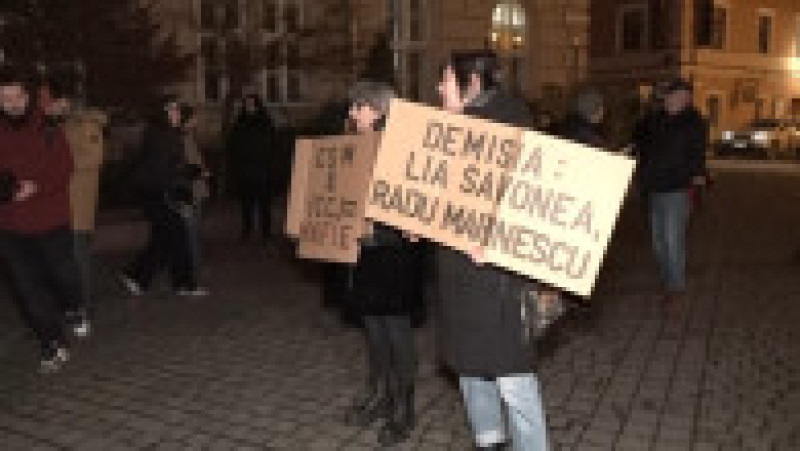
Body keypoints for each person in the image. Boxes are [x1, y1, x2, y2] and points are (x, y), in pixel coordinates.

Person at [435, 52, 548, 451]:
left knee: (512, 378)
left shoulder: (509, 125)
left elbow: (534, 202)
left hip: (498, 280)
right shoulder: (450, 129)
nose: (438, 88)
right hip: (459, 274)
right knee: (470, 368)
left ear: (473, 83)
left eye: (446, 80)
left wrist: (499, 242)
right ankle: (489, 441)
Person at [341, 81, 421, 446]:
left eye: (358, 107)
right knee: (373, 330)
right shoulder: (355, 146)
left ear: (378, 110)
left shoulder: (402, 149)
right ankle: (380, 395)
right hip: (365, 251)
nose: (352, 114)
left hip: (393, 253)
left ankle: (404, 408)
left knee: (396, 332)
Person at [0, 66, 90, 372]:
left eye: (17, 96)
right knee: (28, 289)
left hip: (50, 219)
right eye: (5, 98)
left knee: (63, 275)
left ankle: (74, 308)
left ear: (27, 97)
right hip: (10, 225)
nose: (12, 103)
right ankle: (52, 343)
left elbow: (64, 169)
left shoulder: (48, 127)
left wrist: (35, 187)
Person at [38, 72, 107, 339]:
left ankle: (84, 309)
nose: (41, 104)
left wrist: (58, 167)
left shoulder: (84, 124)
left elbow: (94, 159)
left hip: (77, 206)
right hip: (55, 205)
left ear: (62, 100)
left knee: (78, 262)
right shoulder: (51, 125)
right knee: (59, 263)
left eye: (45, 99)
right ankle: (70, 308)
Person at [119, 96, 207, 297]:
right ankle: (183, 284)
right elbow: (166, 169)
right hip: (157, 193)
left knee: (165, 239)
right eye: (172, 111)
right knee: (176, 236)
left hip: (157, 192)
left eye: (177, 110)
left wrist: (192, 171)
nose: (177, 114)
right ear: (163, 113)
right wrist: (192, 173)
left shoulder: (166, 133)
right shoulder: (162, 135)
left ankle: (136, 275)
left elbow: (172, 166)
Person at [632, 78, 708, 308]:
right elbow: (638, 141)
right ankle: (668, 280)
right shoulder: (653, 120)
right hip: (653, 188)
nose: (681, 100)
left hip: (677, 189)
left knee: (673, 240)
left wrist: (697, 174)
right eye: (677, 95)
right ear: (666, 97)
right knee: (658, 242)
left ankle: (676, 288)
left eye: (686, 96)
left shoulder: (693, 122)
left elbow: (697, 153)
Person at [227, 94, 275, 241]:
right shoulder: (240, 122)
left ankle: (266, 232)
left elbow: (272, 145)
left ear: (257, 105)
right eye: (246, 104)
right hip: (245, 170)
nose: (249, 106)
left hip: (262, 170)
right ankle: (247, 230)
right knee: (246, 204)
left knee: (264, 204)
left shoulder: (265, 122)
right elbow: (233, 145)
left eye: (251, 104)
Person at [179, 104, 210, 282]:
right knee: (191, 230)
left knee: (195, 229)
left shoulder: (189, 136)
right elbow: (186, 165)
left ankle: (195, 263)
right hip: (189, 190)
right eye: (195, 117)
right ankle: (193, 266)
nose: (197, 120)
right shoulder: (183, 138)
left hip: (196, 189)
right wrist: (201, 172)